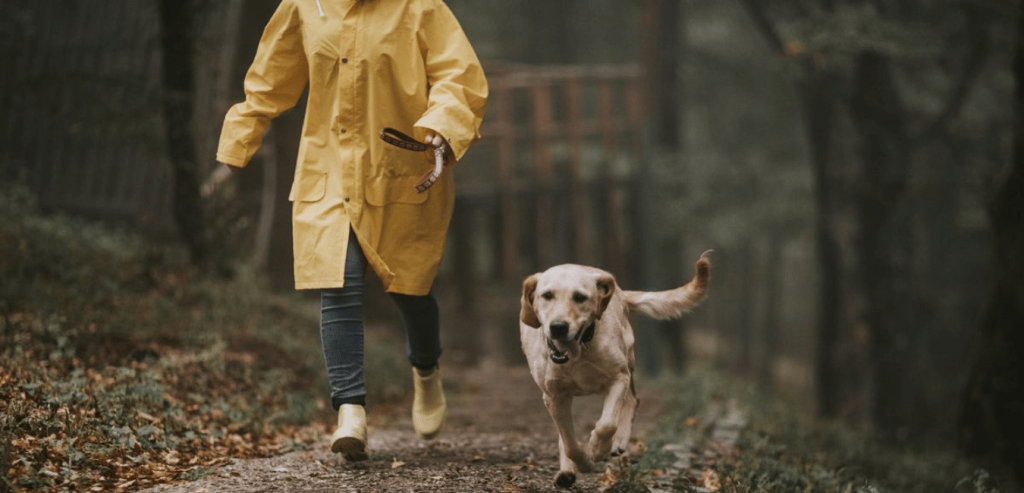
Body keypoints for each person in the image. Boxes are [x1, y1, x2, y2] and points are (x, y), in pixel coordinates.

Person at [215, 0, 488, 462]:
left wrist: (443, 124)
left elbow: (458, 76)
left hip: (399, 171)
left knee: (411, 290)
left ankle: (425, 369)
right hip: (328, 172)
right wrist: (233, 152)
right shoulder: (304, 7)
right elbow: (267, 84)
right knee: (337, 283)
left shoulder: (419, 7)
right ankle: (350, 411)